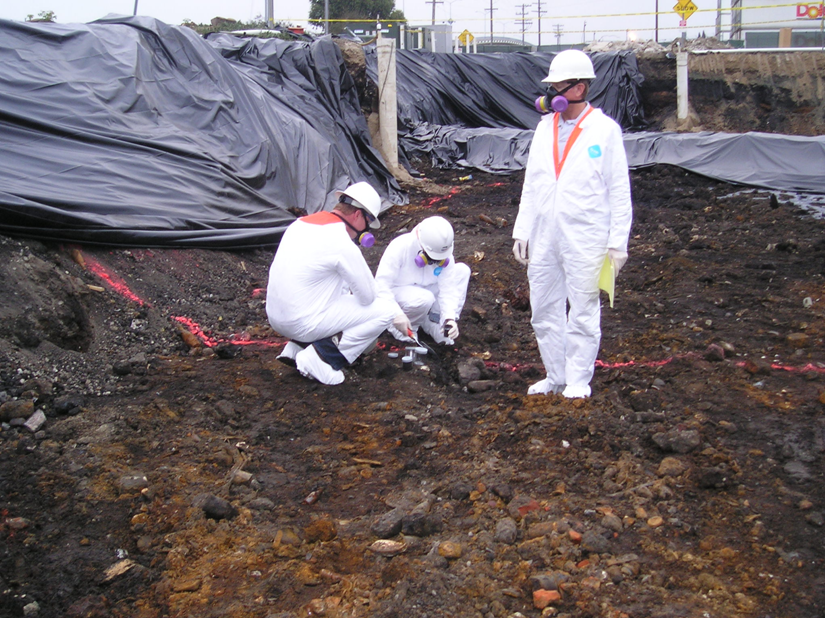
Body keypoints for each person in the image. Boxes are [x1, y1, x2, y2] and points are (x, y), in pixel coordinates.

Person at [512, 49, 633, 399]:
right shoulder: (544, 127)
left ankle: (579, 379)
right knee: (544, 308)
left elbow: (619, 190)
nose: (552, 93)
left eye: (559, 85)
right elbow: (533, 182)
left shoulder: (605, 131)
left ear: (579, 88)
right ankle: (556, 374)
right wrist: (523, 229)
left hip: (587, 236)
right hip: (545, 233)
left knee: (582, 310)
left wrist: (618, 242)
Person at [266, 182, 411, 385]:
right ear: (358, 215)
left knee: (333, 291)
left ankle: (295, 349)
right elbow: (368, 297)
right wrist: (397, 314)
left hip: (277, 316)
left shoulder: (300, 224)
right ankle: (322, 358)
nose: (366, 230)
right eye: (368, 223)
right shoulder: (340, 241)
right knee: (384, 310)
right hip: (301, 321)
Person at [376, 216, 470, 346]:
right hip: (399, 294)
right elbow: (381, 285)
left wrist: (449, 318)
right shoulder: (400, 247)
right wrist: (395, 313)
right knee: (424, 298)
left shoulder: (443, 250)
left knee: (462, 271)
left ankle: (435, 323)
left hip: (426, 291)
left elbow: (449, 289)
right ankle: (404, 329)